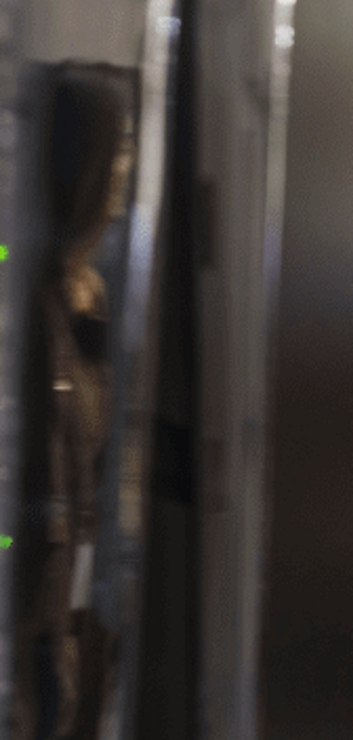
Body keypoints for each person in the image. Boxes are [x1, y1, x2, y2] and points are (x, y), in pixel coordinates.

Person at [14, 61, 133, 740]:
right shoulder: (24, 303)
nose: (121, 176)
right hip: (31, 617)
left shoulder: (89, 298)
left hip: (74, 621)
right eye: (113, 156)